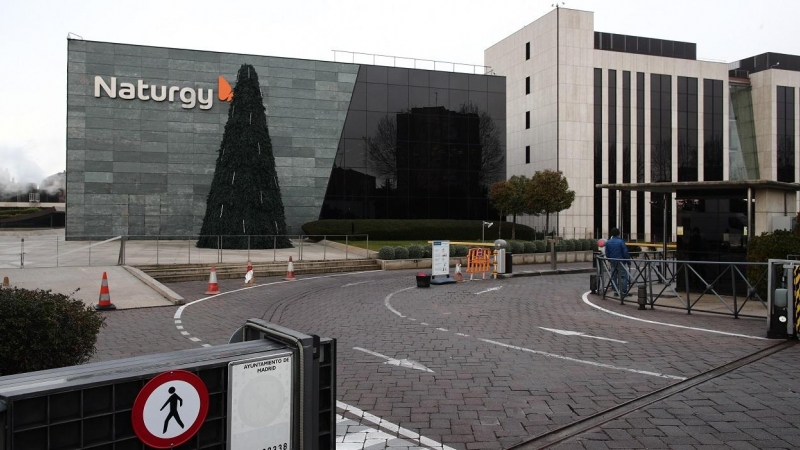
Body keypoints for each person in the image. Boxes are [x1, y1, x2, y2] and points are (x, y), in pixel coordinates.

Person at [605, 227, 631, 297]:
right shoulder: (621, 241)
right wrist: (628, 261)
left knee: (614, 276)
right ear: (618, 234)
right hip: (620, 261)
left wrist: (609, 259)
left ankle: (616, 291)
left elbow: (607, 253)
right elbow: (625, 252)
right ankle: (623, 291)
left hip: (612, 261)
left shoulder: (608, 242)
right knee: (623, 276)